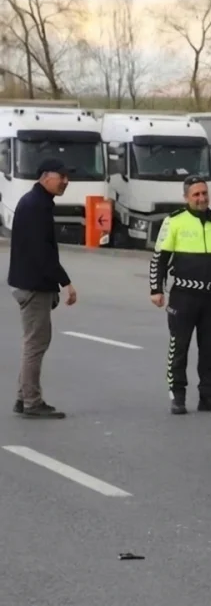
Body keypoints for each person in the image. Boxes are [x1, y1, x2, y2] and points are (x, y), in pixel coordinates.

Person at [150, 175, 211, 415]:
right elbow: (159, 258)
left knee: (209, 349)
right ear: (186, 197)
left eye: (204, 193)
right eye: (196, 194)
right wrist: (156, 288)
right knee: (179, 346)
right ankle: (178, 395)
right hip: (183, 295)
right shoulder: (174, 221)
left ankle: (207, 395)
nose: (202, 198)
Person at [7, 158, 77, 419]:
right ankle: (32, 402)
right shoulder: (36, 205)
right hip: (32, 284)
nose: (66, 181)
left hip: (32, 282)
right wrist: (64, 281)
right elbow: (41, 252)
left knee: (34, 342)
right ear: (45, 176)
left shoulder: (36, 202)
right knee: (36, 343)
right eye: (62, 176)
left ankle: (23, 396)